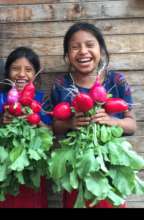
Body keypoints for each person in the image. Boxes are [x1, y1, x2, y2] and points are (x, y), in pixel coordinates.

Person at [48, 22, 137, 208]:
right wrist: (70, 123)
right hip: (76, 166)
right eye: (75, 47)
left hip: (111, 167)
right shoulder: (61, 84)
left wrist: (112, 121)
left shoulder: (116, 80)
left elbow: (131, 125)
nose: (83, 51)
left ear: (101, 50)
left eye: (90, 45)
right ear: (67, 55)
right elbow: (55, 126)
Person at [0, 46, 52, 208]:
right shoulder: (2, 99)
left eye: (28, 70)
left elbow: (50, 133)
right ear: (7, 73)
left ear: (35, 76)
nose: (21, 74)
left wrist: (35, 120)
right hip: (5, 167)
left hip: (33, 168)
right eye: (15, 69)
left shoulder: (41, 100)